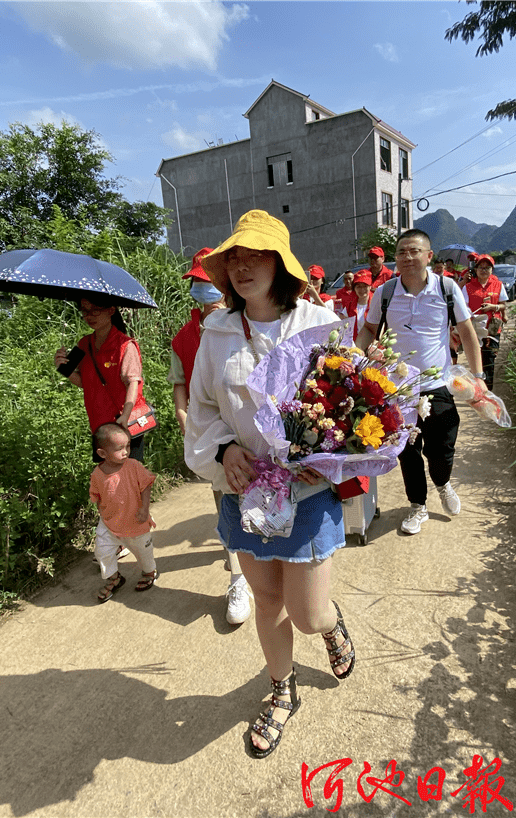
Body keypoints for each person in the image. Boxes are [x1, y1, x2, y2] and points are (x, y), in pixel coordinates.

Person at [185, 210, 356, 759]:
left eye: (253, 254)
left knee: (307, 615)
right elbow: (204, 408)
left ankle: (330, 626)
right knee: (267, 601)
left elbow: (351, 406)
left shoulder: (320, 324)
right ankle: (282, 690)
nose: (239, 265)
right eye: (232, 256)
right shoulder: (214, 333)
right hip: (246, 492)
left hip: (305, 491)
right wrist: (223, 448)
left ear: (280, 263)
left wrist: (327, 454)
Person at [356, 229, 485, 537]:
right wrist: (355, 358)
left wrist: (479, 379)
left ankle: (442, 482)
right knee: (407, 450)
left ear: (429, 256)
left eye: (414, 251)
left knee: (442, 449)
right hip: (398, 390)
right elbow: (369, 330)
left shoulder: (447, 288)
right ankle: (418, 505)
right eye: (401, 252)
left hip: (437, 384)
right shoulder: (385, 292)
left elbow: (467, 334)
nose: (407, 257)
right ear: (395, 259)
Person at [169, 247, 251, 626]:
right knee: (226, 502)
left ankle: (267, 565)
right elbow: (180, 385)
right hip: (218, 440)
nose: (200, 289)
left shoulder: (248, 323)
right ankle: (239, 578)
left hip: (258, 434)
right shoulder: (184, 338)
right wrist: (184, 415)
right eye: (195, 283)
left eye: (205, 282)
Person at [54, 294, 151, 464]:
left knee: (131, 479)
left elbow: (133, 383)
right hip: (100, 427)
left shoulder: (125, 345)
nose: (89, 316)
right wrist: (63, 367)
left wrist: (125, 416)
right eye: (84, 311)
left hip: (124, 424)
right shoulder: (83, 344)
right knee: (106, 480)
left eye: (95, 310)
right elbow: (86, 384)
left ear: (111, 310)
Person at [89, 423, 159, 601]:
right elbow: (96, 495)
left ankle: (150, 572)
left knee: (143, 551)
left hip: (135, 520)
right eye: (120, 448)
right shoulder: (97, 474)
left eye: (127, 446)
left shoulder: (133, 466)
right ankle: (114, 578)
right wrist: (103, 512)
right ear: (102, 453)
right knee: (102, 551)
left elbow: (146, 485)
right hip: (109, 522)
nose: (126, 451)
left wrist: (145, 508)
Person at [461, 253, 509, 392]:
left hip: (493, 328)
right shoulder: (468, 287)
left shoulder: (498, 285)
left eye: (487, 267)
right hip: (475, 328)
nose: (484, 270)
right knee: (477, 358)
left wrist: (493, 307)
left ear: (491, 270)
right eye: (481, 267)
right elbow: (463, 307)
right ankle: (480, 387)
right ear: (475, 269)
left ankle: (488, 391)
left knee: (490, 359)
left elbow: (503, 305)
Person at [348, 269, 373, 342]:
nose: (362, 290)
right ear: (354, 288)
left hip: (373, 346)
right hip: (355, 346)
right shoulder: (349, 304)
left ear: (370, 286)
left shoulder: (377, 303)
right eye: (358, 286)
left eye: (365, 286)